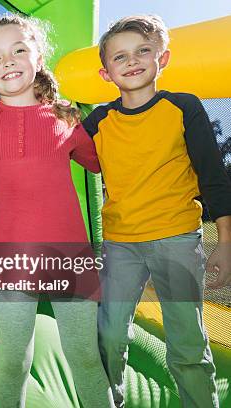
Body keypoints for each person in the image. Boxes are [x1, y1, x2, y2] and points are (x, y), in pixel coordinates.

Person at [0, 13, 114, 407]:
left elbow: (102, 161)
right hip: (8, 255)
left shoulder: (66, 117)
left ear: (38, 58)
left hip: (67, 253)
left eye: (18, 50)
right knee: (13, 360)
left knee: (84, 356)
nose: (8, 61)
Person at [83, 14, 231, 408]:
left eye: (142, 51)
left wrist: (226, 241)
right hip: (121, 244)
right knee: (110, 335)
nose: (132, 61)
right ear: (105, 72)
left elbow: (213, 176)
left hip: (177, 239)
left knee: (186, 343)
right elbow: (56, 152)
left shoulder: (183, 107)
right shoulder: (98, 121)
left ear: (161, 58)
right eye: (120, 57)